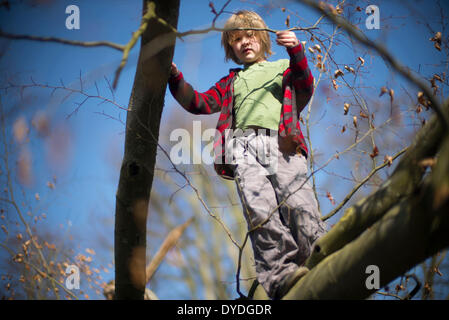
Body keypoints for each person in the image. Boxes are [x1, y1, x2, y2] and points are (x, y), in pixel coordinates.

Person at [168, 10, 327, 299]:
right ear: (231, 49)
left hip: (283, 145)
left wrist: (296, 51)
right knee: (260, 210)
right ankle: (281, 276)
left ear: (263, 40)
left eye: (250, 36)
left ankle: (321, 256)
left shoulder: (282, 67)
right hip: (242, 146)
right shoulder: (231, 82)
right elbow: (199, 103)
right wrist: (174, 77)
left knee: (298, 202)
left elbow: (304, 84)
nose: (244, 42)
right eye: (237, 40)